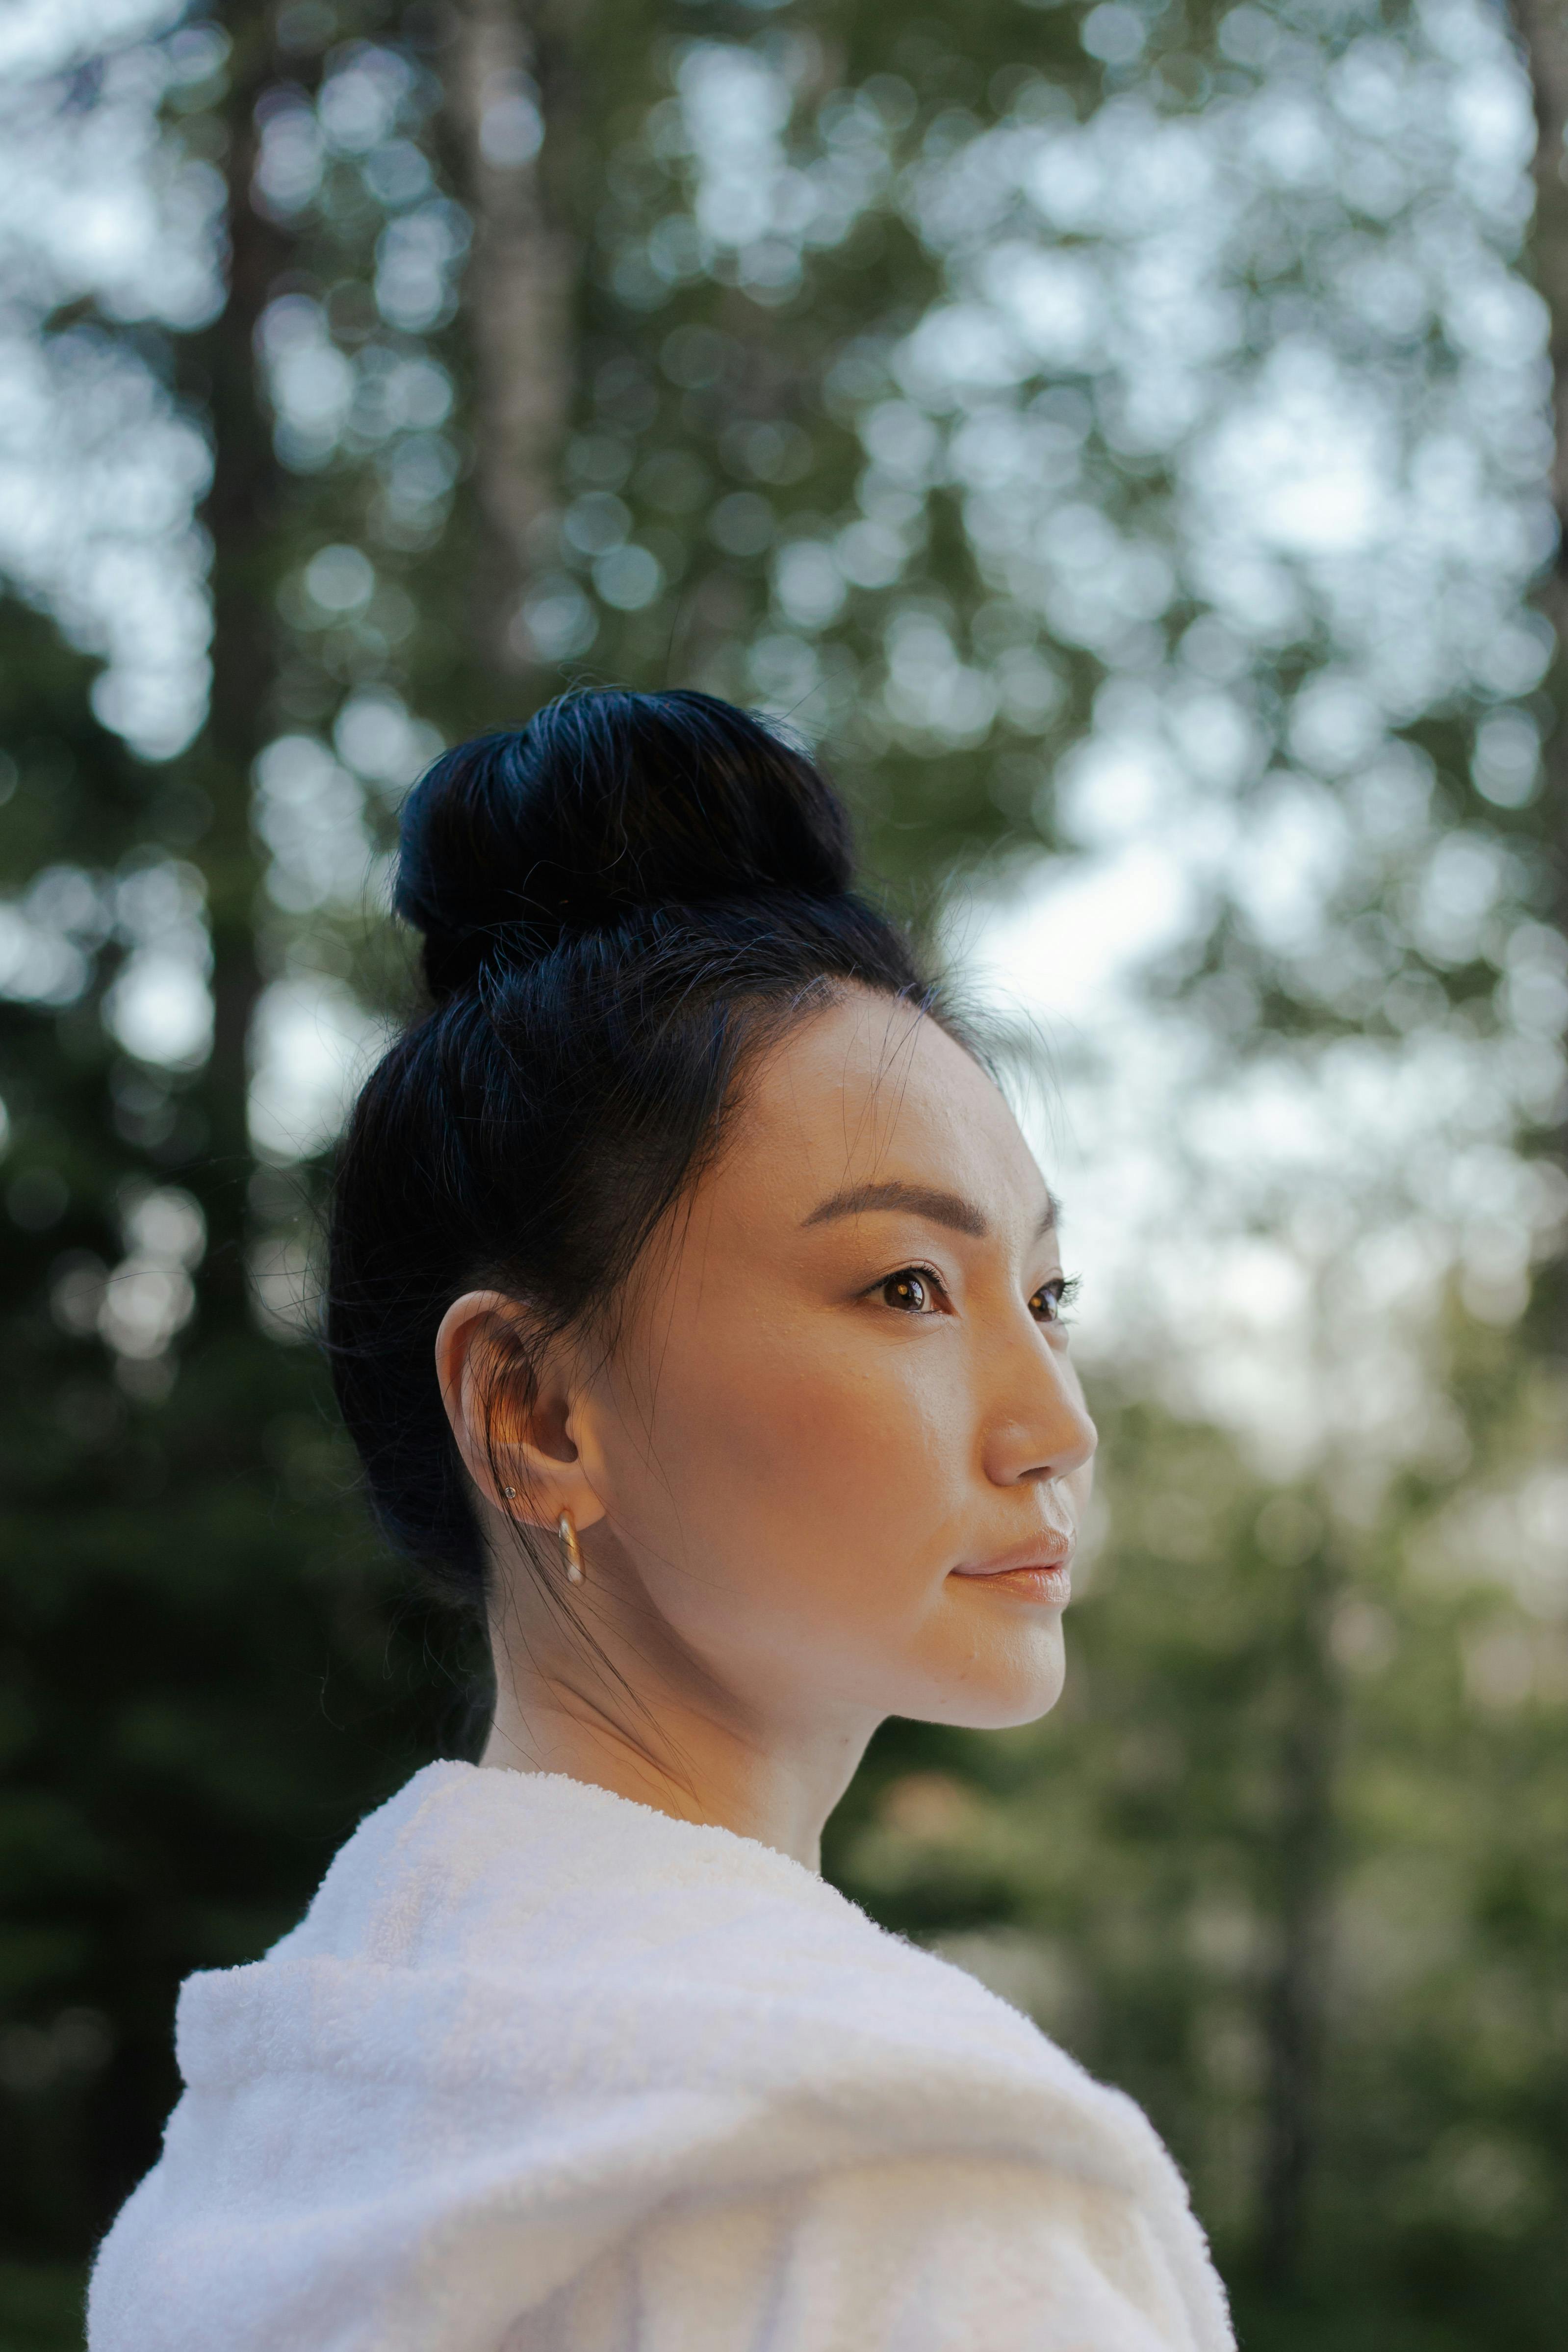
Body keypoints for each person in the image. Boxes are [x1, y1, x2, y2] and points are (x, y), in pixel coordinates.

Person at [88, 690, 1233, 2352]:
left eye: (1048, 1293)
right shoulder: (903, 2185)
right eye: (908, 1285)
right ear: (536, 1412)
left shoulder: (275, 2134)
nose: (1059, 1420)